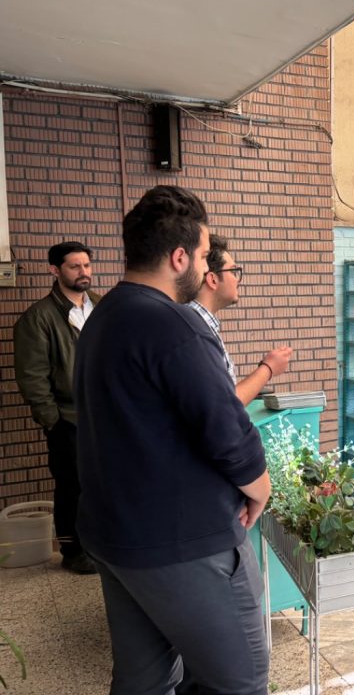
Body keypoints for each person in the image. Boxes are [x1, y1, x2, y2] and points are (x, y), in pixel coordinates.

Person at [75, 186, 271, 693]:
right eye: (204, 256)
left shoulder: (103, 317)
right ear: (178, 257)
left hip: (117, 535)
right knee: (240, 680)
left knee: (145, 680)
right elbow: (224, 425)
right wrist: (259, 487)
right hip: (182, 540)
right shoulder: (173, 324)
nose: (206, 269)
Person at [14, 241, 102, 575]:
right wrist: (53, 421)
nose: (84, 272)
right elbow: (32, 377)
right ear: (55, 270)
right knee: (72, 486)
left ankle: (101, 545)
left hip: (106, 416)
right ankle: (73, 551)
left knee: (103, 483)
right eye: (75, 266)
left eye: (87, 265)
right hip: (68, 418)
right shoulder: (38, 317)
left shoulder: (102, 306)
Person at [188, 234, 292, 405]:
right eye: (233, 271)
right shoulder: (195, 330)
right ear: (212, 279)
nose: (237, 280)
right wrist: (268, 368)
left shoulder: (199, 323)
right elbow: (224, 404)